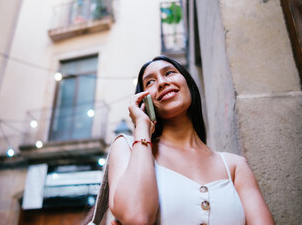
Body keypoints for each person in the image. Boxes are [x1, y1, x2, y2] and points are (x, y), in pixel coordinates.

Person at [87, 55, 274, 225]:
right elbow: (137, 216)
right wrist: (143, 127)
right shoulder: (127, 148)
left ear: (189, 85)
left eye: (169, 73)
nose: (162, 82)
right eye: (150, 82)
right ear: (145, 102)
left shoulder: (234, 166)